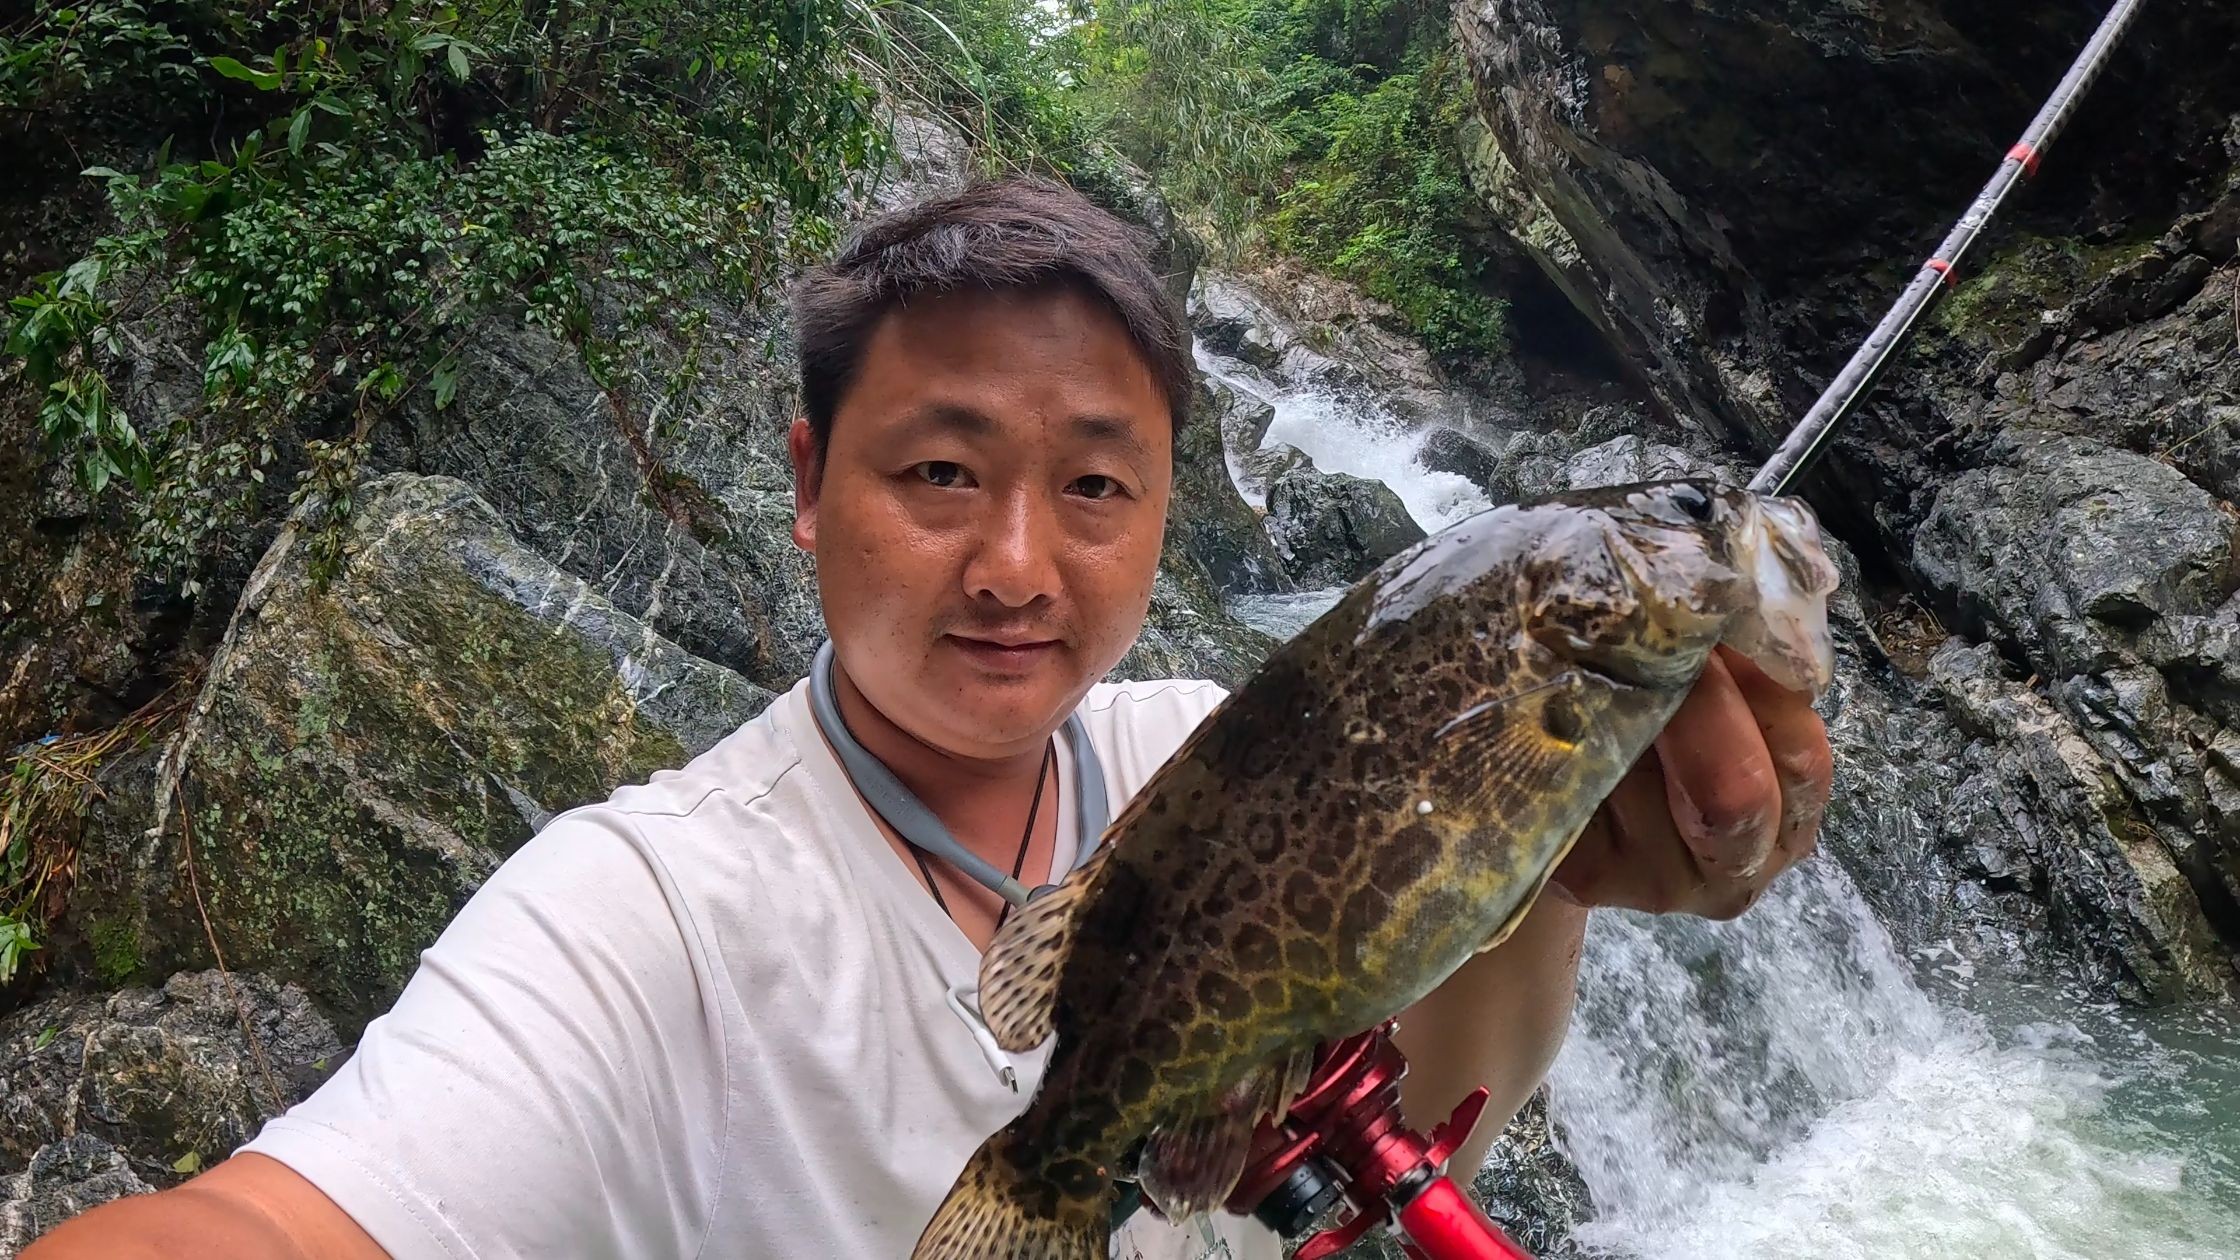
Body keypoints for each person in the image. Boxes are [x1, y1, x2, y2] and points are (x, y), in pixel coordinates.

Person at [26, 178, 1831, 1260]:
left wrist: (1567, 877)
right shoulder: (639, 915)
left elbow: (1427, 1113)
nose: (1017, 567)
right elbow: (280, 1221)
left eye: (1098, 491)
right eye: (943, 471)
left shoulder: (1195, 745)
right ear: (808, 484)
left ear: (1172, 507)